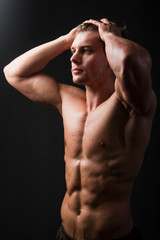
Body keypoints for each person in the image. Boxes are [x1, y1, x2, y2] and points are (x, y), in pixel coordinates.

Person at [4, 18, 156, 240]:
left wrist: (110, 36)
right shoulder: (67, 99)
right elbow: (13, 72)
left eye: (85, 51)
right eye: (72, 51)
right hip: (65, 234)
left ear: (109, 56)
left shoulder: (130, 103)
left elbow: (130, 60)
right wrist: (66, 40)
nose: (74, 58)